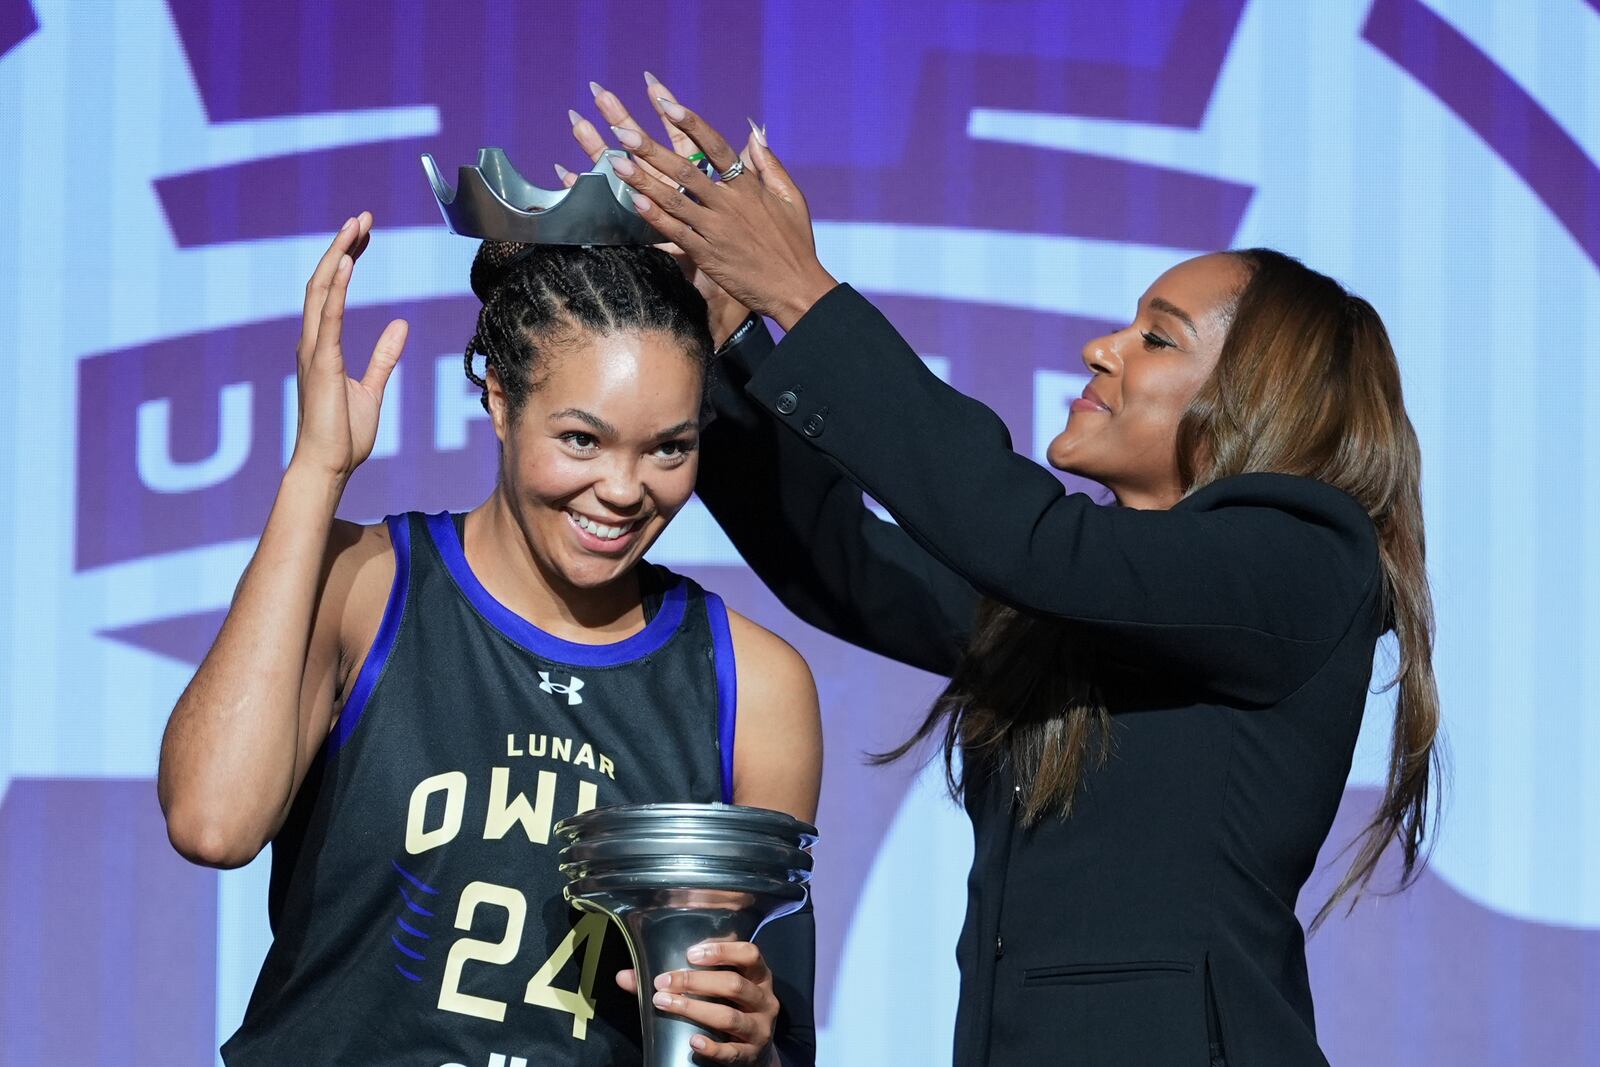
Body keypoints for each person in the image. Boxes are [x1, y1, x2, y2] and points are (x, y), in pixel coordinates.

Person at [567, 82, 1442, 1067]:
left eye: (1156, 337)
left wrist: (799, 295)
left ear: (1257, 400)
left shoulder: (1305, 555)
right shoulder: (1081, 603)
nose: (1100, 348)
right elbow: (841, 559)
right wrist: (718, 329)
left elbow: (1030, 539)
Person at [156, 213, 823, 1067]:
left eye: (670, 448)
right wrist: (316, 470)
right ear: (500, 399)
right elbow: (213, 824)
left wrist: (751, 1040)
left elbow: (771, 1037)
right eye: (581, 439)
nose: (623, 489)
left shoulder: (753, 684)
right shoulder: (366, 583)